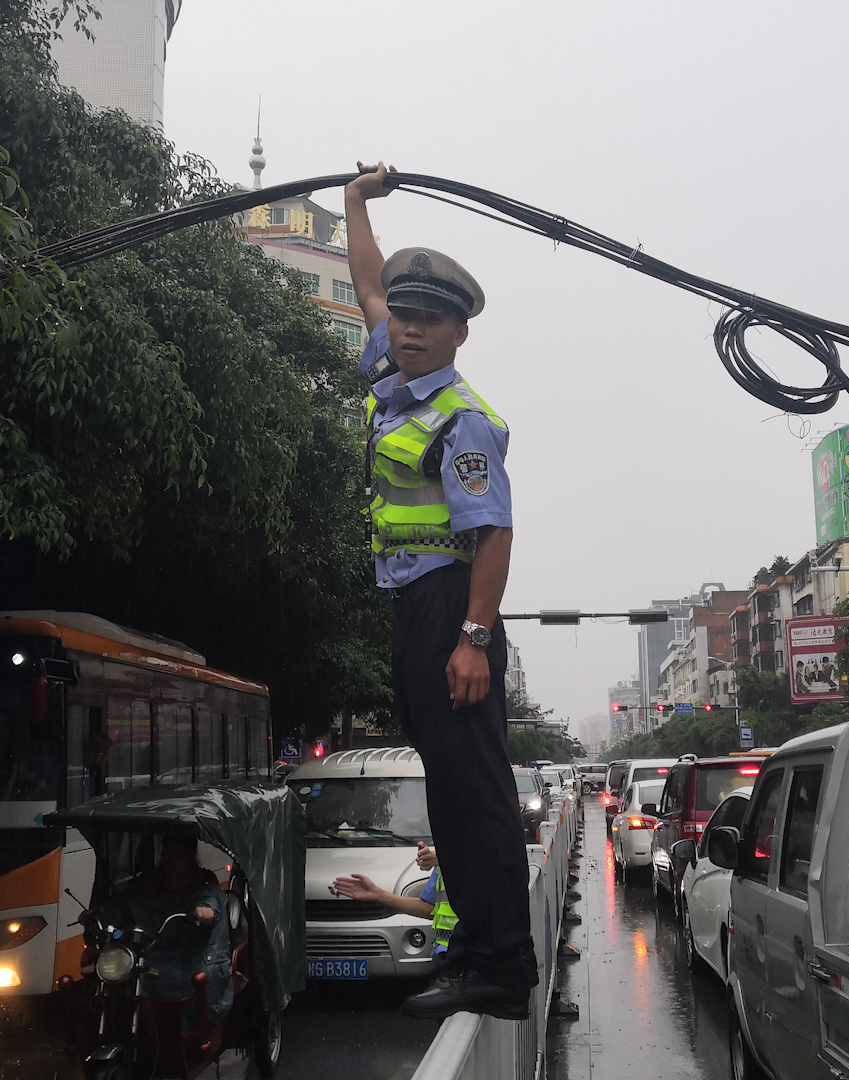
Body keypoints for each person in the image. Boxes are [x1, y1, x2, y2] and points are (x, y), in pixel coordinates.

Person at [344, 162, 536, 1020]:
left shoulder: (459, 418)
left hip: (450, 601)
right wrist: (355, 205)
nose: (407, 330)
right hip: (411, 605)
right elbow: (364, 281)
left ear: (459, 333)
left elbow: (493, 533)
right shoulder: (397, 367)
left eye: (426, 320)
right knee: (446, 783)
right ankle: (473, 953)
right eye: (404, 316)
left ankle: (498, 969)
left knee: (472, 790)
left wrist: (473, 639)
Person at [118, 836, 232, 1022]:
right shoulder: (152, 882)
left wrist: (205, 911)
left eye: (178, 855)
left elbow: (211, 899)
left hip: (191, 953)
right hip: (154, 952)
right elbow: (129, 903)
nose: (171, 860)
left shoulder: (203, 882)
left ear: (190, 857)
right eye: (167, 854)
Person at [330, 841, 455, 964]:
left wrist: (447, 859)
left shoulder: (455, 857)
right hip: (448, 960)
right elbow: (430, 909)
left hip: (471, 960)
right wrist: (379, 895)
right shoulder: (444, 859)